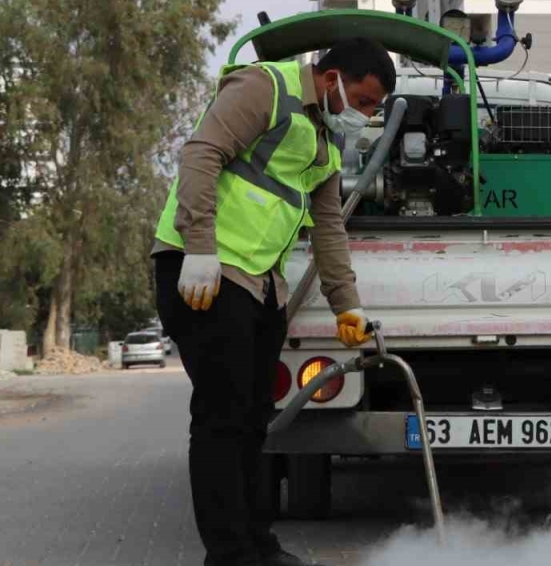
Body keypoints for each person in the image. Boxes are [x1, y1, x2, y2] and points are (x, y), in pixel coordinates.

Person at [152, 38, 396, 566]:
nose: (368, 115)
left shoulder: (326, 145)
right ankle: (229, 555)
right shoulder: (265, 86)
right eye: (366, 100)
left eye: (376, 108)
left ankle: (257, 545)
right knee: (222, 417)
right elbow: (202, 153)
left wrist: (346, 308)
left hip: (258, 286)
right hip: (203, 272)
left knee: (254, 418)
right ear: (332, 79)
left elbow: (329, 227)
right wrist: (198, 248)